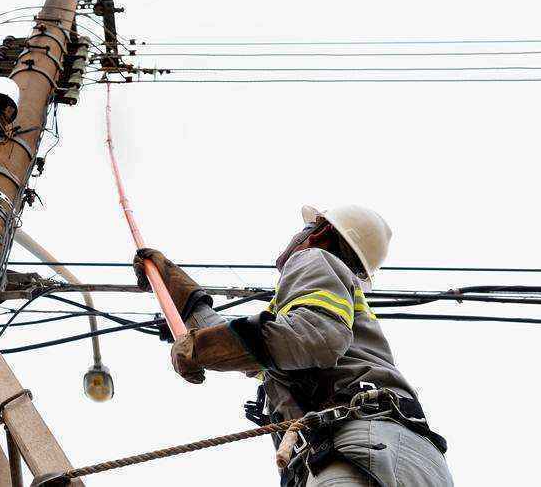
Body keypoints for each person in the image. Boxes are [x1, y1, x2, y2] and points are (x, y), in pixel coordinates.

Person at [133, 205, 453, 487]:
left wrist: (201, 349)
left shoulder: (314, 258)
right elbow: (259, 347)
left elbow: (314, 337)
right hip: (391, 450)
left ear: (320, 233)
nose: (296, 238)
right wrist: (177, 291)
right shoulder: (320, 315)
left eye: (305, 228)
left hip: (360, 443)